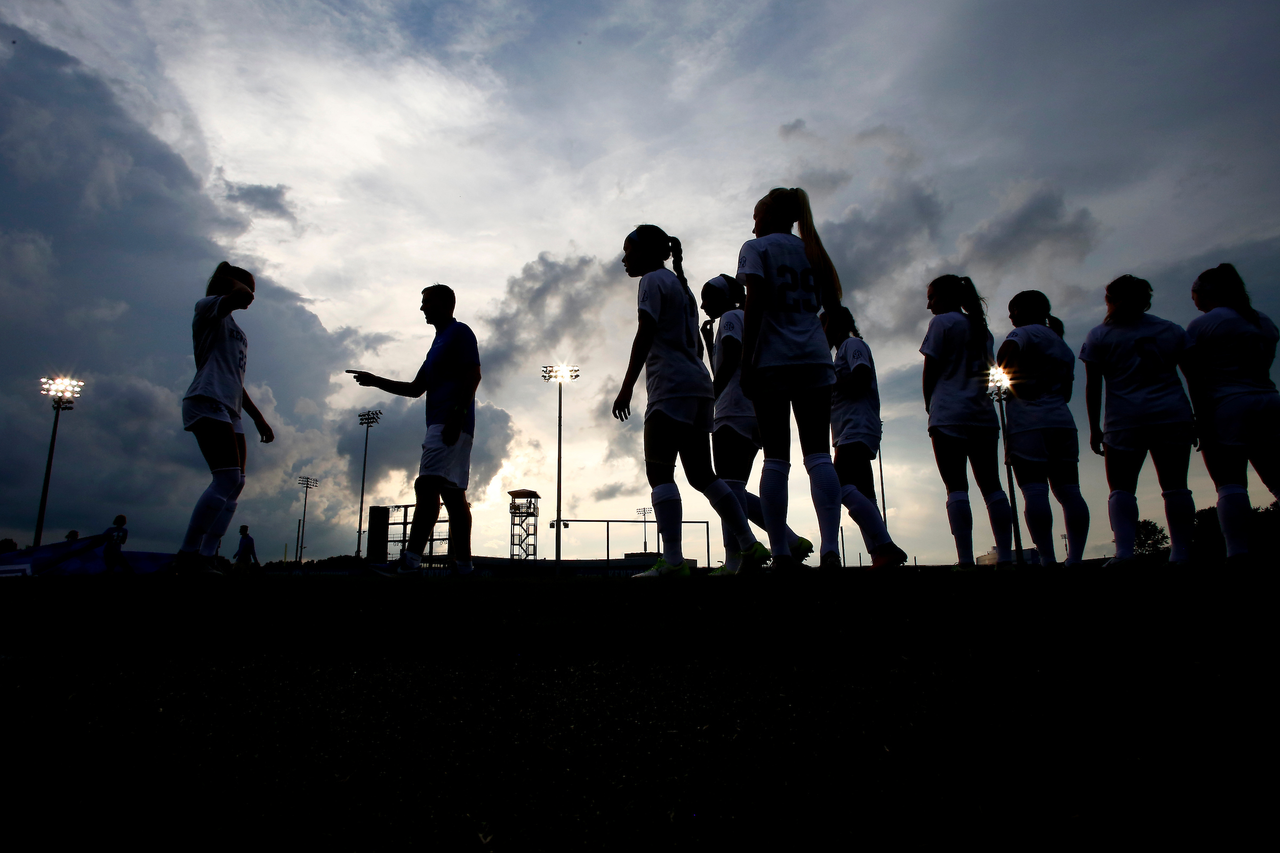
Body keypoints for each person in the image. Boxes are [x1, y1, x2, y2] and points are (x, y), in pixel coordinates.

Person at [612, 225, 771, 578]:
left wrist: (626, 387)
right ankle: (749, 544)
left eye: (629, 250)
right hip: (700, 385)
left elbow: (645, 331)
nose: (624, 258)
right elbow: (698, 349)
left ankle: (672, 559)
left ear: (650, 252)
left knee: (659, 471)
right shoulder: (680, 288)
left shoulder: (652, 281)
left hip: (670, 386)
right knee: (702, 474)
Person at [737, 187, 845, 573]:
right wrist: (818, 341)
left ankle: (781, 550)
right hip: (814, 360)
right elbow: (836, 310)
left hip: (772, 362)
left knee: (776, 458)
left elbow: (755, 305)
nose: (753, 223)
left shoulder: (757, 248)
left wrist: (747, 361)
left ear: (771, 215)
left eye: (756, 215)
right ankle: (831, 547)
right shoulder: (813, 250)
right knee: (818, 455)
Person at [350, 284, 481, 575]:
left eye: (427, 302)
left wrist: (457, 416)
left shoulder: (460, 333)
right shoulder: (437, 344)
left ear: (446, 304)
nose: (422, 308)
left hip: (448, 422)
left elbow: (474, 373)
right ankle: (464, 566)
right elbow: (415, 389)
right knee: (454, 496)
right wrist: (375, 381)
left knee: (426, 485)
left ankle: (409, 562)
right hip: (448, 423)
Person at [700, 274, 814, 574]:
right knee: (733, 488)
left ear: (725, 297)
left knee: (728, 487)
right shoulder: (748, 318)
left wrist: (711, 395)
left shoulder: (730, 317)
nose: (703, 304)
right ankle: (788, 540)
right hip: (756, 409)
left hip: (733, 408)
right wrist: (709, 344)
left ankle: (736, 557)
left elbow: (734, 356)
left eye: (707, 297)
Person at [1080, 275, 1196, 565]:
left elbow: (1094, 386)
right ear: (1147, 299)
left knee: (1121, 487)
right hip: (1172, 413)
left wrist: (1094, 427)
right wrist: (1198, 416)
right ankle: (1180, 551)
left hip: (1124, 418)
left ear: (1108, 299)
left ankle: (1124, 553)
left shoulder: (1099, 335)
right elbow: (1193, 378)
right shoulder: (1171, 330)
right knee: (1175, 486)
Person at [176, 262, 275, 574]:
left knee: (237, 482)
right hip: (206, 398)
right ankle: (188, 553)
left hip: (229, 406)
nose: (251, 297)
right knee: (227, 478)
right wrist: (231, 281)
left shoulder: (237, 330)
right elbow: (242, 296)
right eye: (245, 287)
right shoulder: (207, 307)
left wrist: (259, 419)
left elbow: (236, 381)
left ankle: (207, 555)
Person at [1183, 263, 1280, 561]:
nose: (1193, 300)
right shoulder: (1263, 322)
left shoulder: (1204, 325)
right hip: (1269, 399)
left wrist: (1200, 418)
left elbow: (1195, 378)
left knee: (1230, 481)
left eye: (1194, 294)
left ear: (1204, 293)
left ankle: (1237, 551)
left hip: (1228, 405)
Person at [920, 274, 1014, 569]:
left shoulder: (942, 323)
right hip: (982, 414)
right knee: (992, 486)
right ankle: (1007, 556)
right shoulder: (982, 329)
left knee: (956, 487)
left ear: (947, 298)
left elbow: (930, 368)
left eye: (932, 297)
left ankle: (964, 558)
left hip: (949, 413)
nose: (928, 304)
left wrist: (928, 404)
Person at [995, 291, 1090, 566]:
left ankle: (1047, 558)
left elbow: (1004, 357)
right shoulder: (1061, 344)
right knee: (1070, 490)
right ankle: (1075, 559)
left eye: (1013, 310)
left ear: (1024, 310)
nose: (1011, 316)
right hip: (1062, 420)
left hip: (1028, 423)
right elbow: (1069, 392)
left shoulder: (1023, 335)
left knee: (1034, 490)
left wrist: (1016, 385)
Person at [823, 306, 908, 568]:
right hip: (850, 430)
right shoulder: (840, 354)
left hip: (856, 428)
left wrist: (831, 383)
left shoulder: (852, 344)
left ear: (834, 327)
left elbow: (861, 376)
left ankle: (885, 545)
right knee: (864, 494)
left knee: (838, 487)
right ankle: (880, 553)